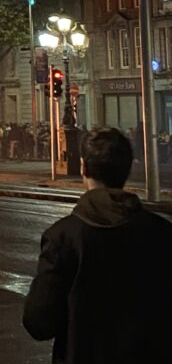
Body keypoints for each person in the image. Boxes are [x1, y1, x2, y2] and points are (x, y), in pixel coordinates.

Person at [23, 128, 172, 363]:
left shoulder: (63, 238)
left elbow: (38, 322)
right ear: (126, 169)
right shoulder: (161, 234)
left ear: (83, 168)